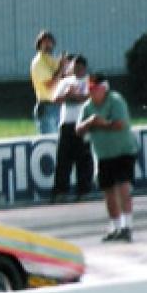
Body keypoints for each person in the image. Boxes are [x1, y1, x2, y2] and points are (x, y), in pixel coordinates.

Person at [76, 73, 139, 242]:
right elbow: (78, 130)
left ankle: (127, 226)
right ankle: (115, 227)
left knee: (123, 186)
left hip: (124, 151)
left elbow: (120, 124)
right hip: (103, 155)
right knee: (108, 191)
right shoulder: (87, 107)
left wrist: (102, 123)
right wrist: (89, 122)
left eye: (95, 89)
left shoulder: (116, 100)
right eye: (90, 89)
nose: (91, 92)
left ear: (104, 89)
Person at [50, 54, 93, 203]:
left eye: (78, 67)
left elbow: (88, 98)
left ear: (84, 68)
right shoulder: (65, 82)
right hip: (67, 123)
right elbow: (55, 99)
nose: (75, 70)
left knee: (84, 159)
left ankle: (84, 190)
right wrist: (70, 96)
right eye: (74, 67)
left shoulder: (89, 81)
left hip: (83, 123)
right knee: (63, 159)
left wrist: (73, 96)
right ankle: (60, 191)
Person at [30, 30, 66, 135]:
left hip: (59, 105)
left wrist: (66, 65)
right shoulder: (38, 62)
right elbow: (50, 85)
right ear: (39, 45)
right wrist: (61, 68)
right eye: (44, 42)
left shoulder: (51, 60)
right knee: (49, 141)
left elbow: (63, 75)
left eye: (50, 42)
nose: (48, 45)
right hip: (47, 107)